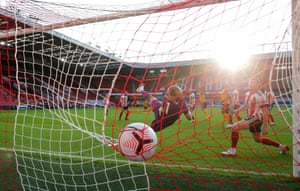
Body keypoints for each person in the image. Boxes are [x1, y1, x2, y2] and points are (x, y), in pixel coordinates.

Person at [221, 78, 289, 157]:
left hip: (256, 118)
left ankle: (232, 151)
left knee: (235, 127)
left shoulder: (260, 96)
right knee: (258, 139)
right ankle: (282, 147)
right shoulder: (248, 93)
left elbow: (265, 112)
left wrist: (265, 127)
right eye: (250, 82)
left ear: (258, 85)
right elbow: (245, 105)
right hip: (252, 118)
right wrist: (237, 110)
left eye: (253, 83)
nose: (251, 84)